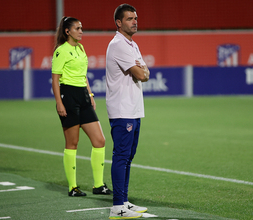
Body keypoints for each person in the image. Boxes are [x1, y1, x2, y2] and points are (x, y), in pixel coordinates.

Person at [51, 16, 112, 197]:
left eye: (81, 28)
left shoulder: (80, 48)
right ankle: (73, 187)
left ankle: (99, 185)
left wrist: (90, 94)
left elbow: (83, 75)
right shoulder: (61, 51)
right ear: (67, 31)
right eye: (77, 28)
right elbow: (55, 80)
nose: (81, 31)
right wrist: (59, 103)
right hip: (68, 96)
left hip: (83, 96)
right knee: (72, 143)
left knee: (100, 140)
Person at [105, 4, 150, 219]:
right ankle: (116, 207)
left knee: (128, 157)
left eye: (136, 18)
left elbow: (144, 70)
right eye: (130, 18)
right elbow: (142, 74)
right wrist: (143, 71)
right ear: (118, 23)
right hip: (122, 110)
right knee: (121, 156)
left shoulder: (132, 44)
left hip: (133, 108)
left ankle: (123, 200)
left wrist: (143, 71)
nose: (135, 21)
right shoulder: (118, 45)